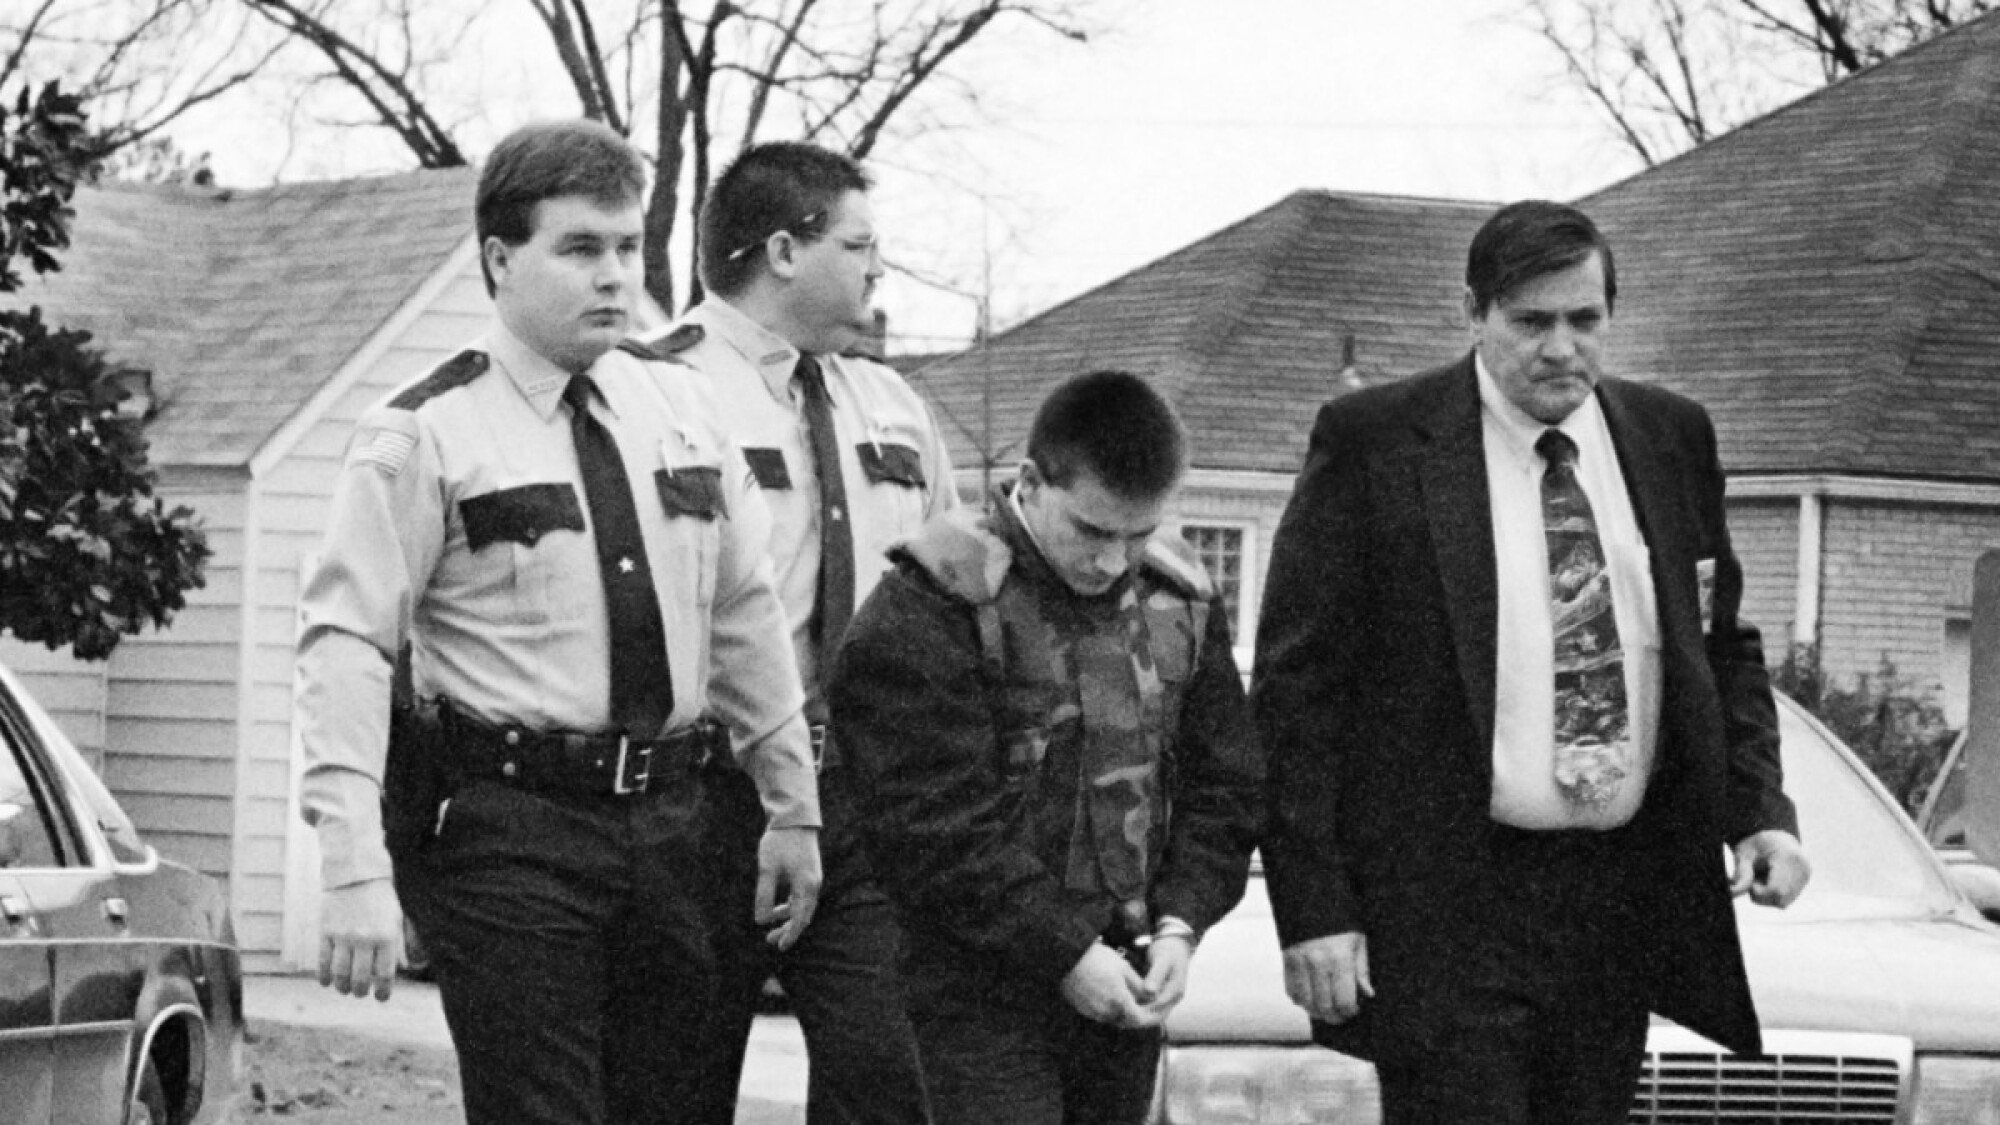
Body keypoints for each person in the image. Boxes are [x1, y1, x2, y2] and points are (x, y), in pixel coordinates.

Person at [292, 119, 821, 1125]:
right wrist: (353, 860)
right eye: (579, 249)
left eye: (627, 247)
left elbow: (744, 611)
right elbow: (349, 646)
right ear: (499, 259)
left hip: (678, 826)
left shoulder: (685, 409)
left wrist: (790, 805)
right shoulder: (424, 433)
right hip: (511, 830)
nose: (614, 277)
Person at [1253, 200, 1812, 1124]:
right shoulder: (1376, 445)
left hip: (1617, 901)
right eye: (1531, 322)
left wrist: (1761, 811)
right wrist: (1315, 905)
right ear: (1473, 313)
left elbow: (1720, 646)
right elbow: (1296, 695)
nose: (1561, 349)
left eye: (1584, 320)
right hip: (1446, 907)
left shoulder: (1671, 439)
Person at [829, 370, 1265, 1125]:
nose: (1113, 560)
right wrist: (1063, 950)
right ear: (1029, 482)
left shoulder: (1179, 597)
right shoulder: (933, 601)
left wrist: (1182, 923)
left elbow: (1223, 785)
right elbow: (928, 825)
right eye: (1092, 530)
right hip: (972, 989)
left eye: (1139, 534)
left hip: (1126, 971)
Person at [642, 140, 951, 1124]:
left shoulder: (889, 406)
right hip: (698, 802)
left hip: (862, 806)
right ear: (783, 249)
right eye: (859, 243)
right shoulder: (649, 392)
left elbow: (954, 595)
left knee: (888, 1082)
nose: (877, 267)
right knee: (672, 1089)